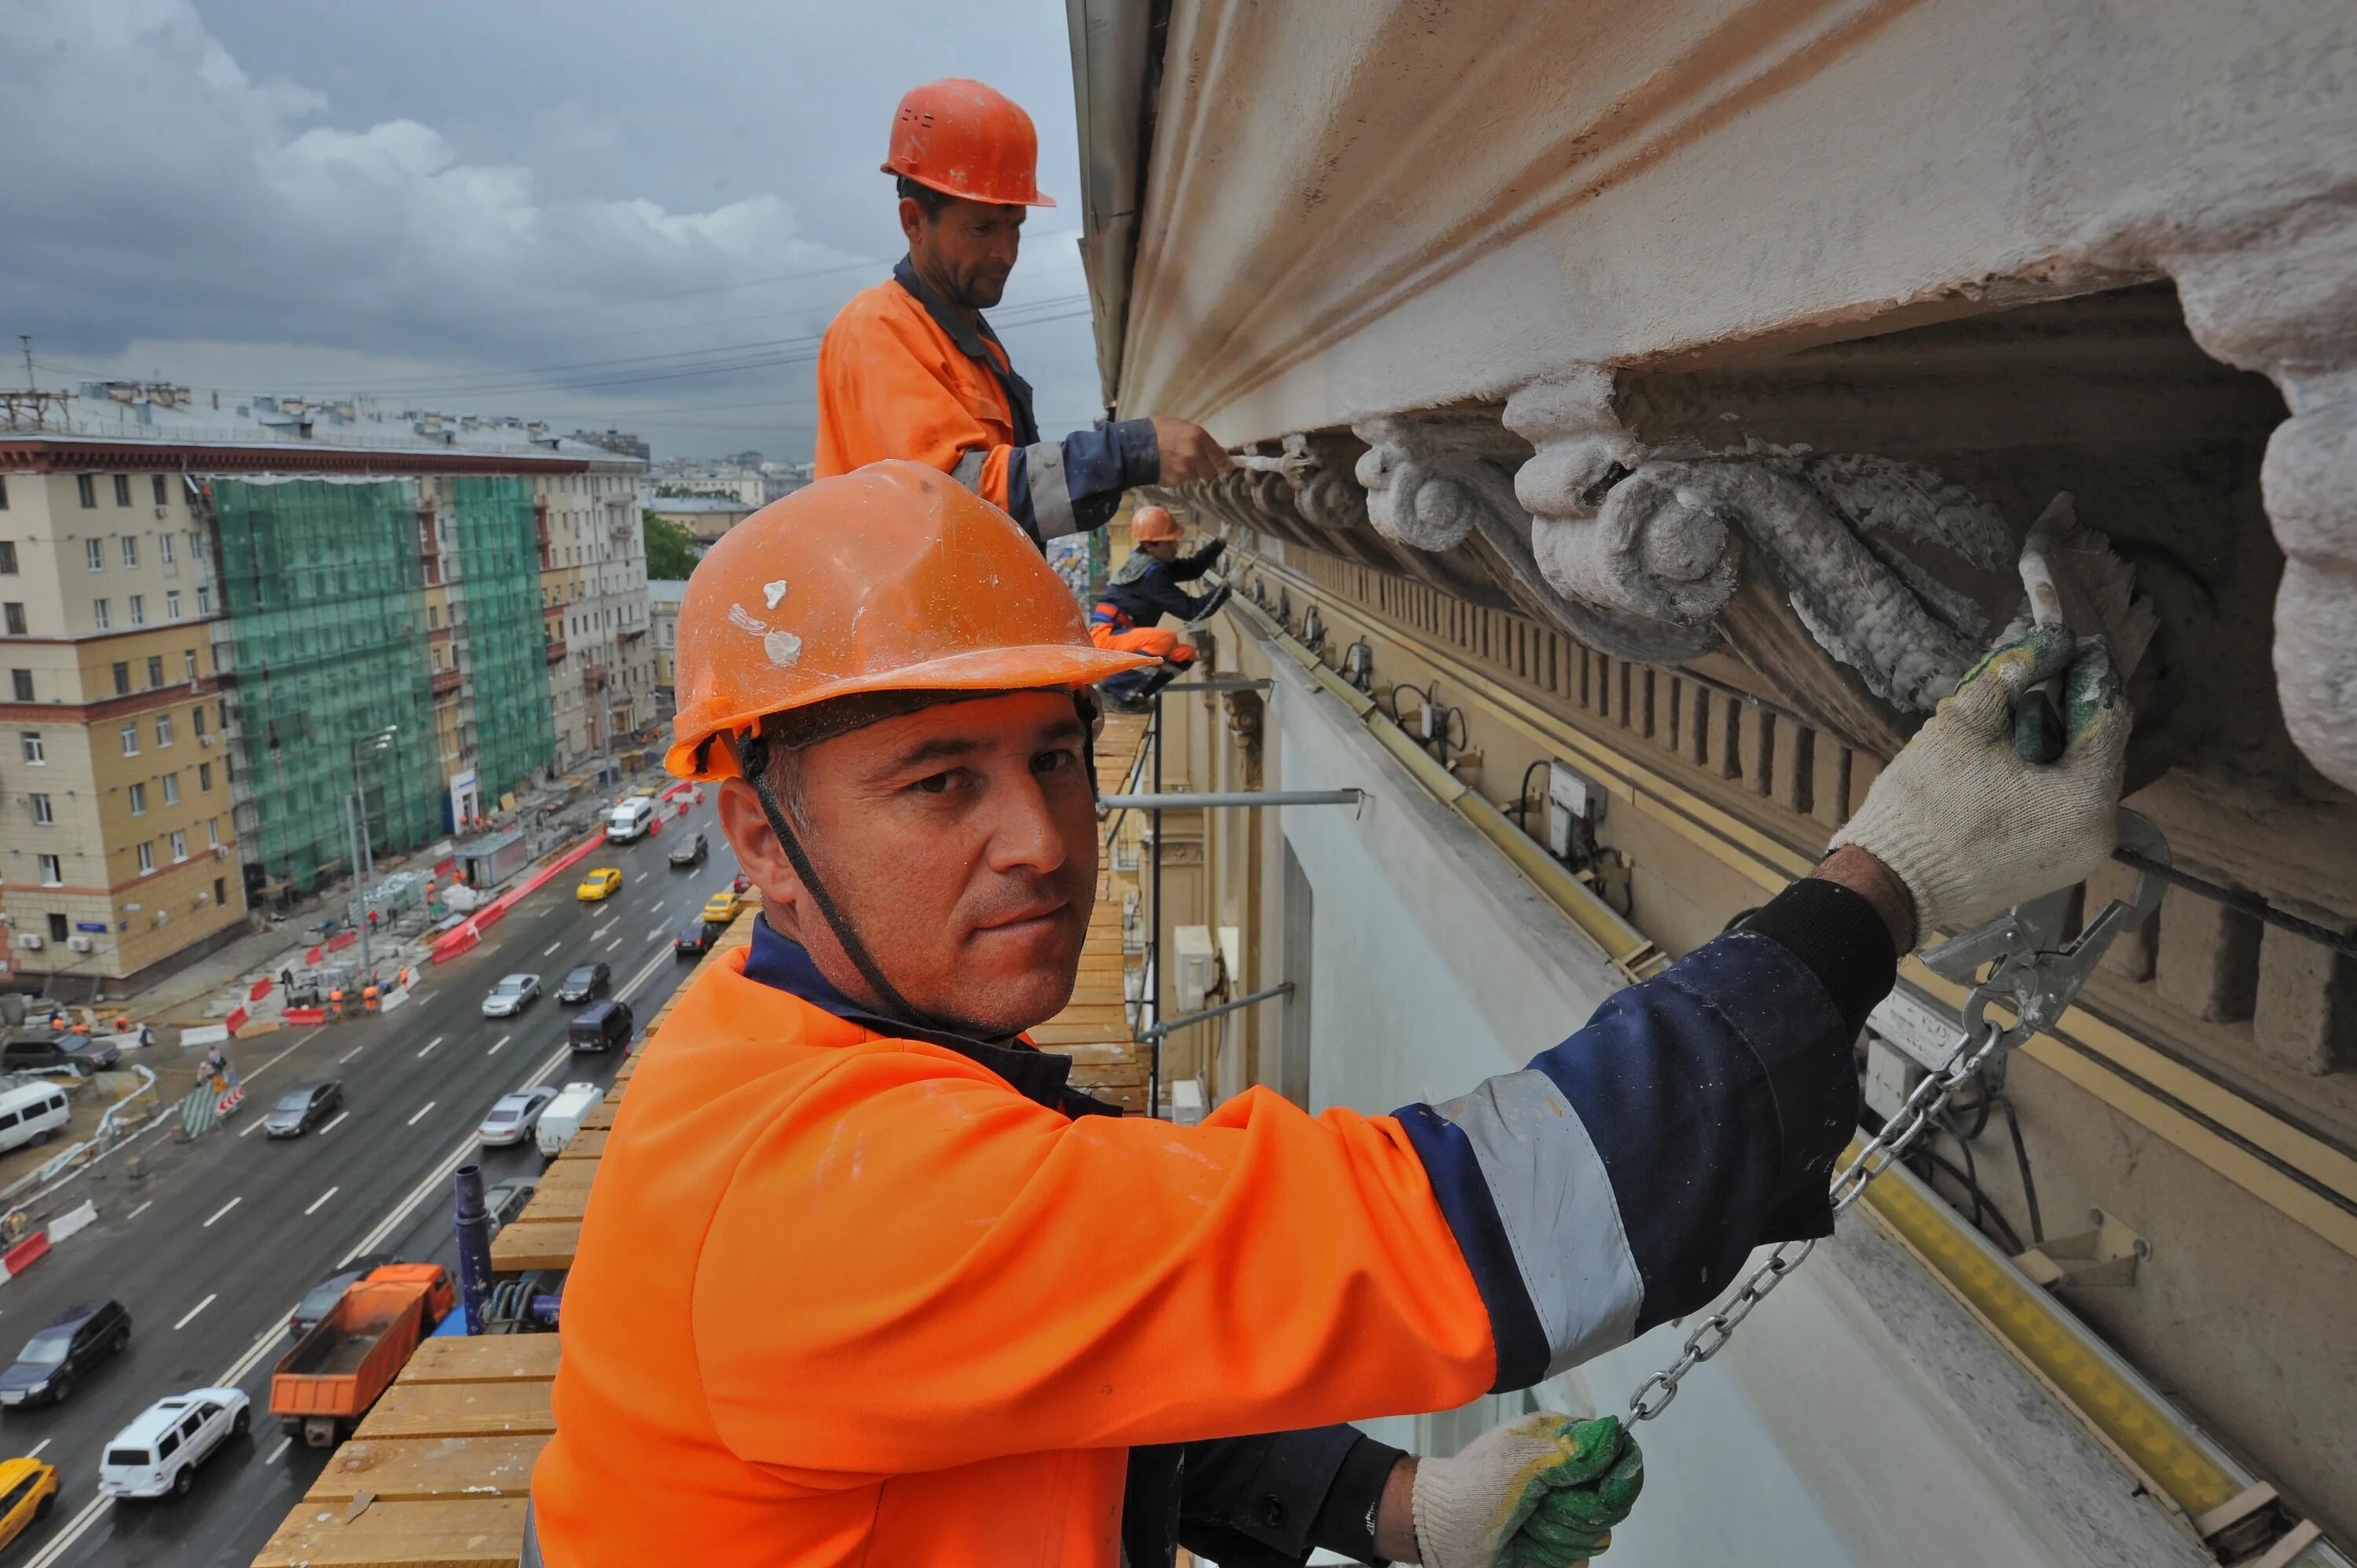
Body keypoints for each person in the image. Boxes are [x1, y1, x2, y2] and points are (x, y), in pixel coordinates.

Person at [529, 462, 2128, 1567]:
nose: (1038, 837)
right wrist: (1887, 882)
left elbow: (1072, 1370)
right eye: (940, 781)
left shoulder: (810, 1048)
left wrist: (1394, 1504)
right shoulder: (826, 1198)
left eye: (1057, 755)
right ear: (760, 838)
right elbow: (1474, 1218)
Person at [814, 79, 1231, 546]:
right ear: (914, 221)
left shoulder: (972, 342)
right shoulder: (877, 326)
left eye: (1016, 226)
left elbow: (1015, 498)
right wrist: (1129, 451)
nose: (1007, 252)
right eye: (983, 228)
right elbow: (950, 500)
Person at [1091, 504, 1231, 709]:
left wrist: (1220, 542)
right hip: (1107, 638)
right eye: (1169, 543)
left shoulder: (1153, 564)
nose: (1176, 546)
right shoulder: (1152, 575)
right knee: (1165, 640)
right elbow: (1193, 610)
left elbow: (1192, 568)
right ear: (1150, 546)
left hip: (1116, 637)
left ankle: (1134, 694)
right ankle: (1113, 693)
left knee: (1185, 655)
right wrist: (1226, 589)